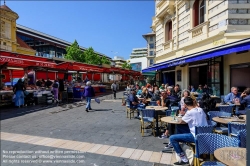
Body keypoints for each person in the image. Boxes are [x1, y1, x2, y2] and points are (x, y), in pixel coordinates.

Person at [169, 97, 208, 165]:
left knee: (172, 138)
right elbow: (205, 118)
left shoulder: (189, 112)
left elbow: (181, 122)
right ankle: (183, 145)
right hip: (206, 135)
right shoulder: (200, 109)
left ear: (185, 105)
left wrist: (183, 112)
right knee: (180, 129)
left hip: (196, 136)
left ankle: (184, 159)